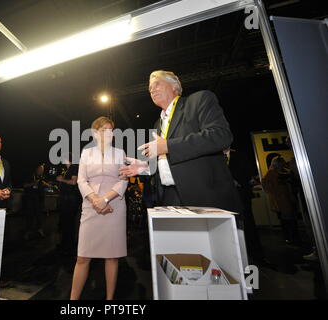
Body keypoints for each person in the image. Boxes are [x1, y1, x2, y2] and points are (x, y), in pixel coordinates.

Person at [119, 70, 243, 214]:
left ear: (174, 85)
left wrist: (168, 146)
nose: (152, 89)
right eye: (150, 88)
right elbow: (166, 160)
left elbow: (220, 135)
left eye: (157, 84)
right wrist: (147, 167)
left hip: (205, 196)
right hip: (169, 198)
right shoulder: (157, 124)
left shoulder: (198, 101)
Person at [70, 116, 128, 300]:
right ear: (95, 133)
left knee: (112, 257)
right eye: (103, 130)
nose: (108, 133)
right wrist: (95, 199)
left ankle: (109, 300)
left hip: (115, 207)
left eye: (110, 130)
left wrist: (105, 199)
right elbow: (81, 180)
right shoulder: (87, 153)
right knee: (82, 257)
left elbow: (123, 180)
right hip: (90, 206)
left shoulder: (120, 153)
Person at [262, 155, 301, 246]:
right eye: (280, 162)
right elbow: (265, 184)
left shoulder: (285, 172)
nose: (282, 163)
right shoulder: (271, 173)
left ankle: (294, 238)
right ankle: (289, 238)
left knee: (292, 219)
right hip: (281, 201)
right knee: (286, 220)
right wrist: (274, 193)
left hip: (289, 199)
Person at [56, 155, 80, 255]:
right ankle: (66, 243)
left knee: (69, 222)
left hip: (70, 200)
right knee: (66, 222)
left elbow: (74, 182)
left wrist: (62, 180)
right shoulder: (67, 169)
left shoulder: (74, 167)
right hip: (67, 199)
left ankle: (68, 245)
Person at [23, 164, 50, 238]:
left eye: (42, 170)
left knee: (40, 216)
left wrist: (46, 184)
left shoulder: (43, 177)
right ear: (36, 169)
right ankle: (28, 232)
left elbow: (49, 186)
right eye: (40, 170)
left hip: (40, 199)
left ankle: (39, 230)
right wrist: (33, 183)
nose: (41, 171)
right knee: (30, 216)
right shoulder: (30, 176)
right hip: (30, 199)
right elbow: (24, 185)